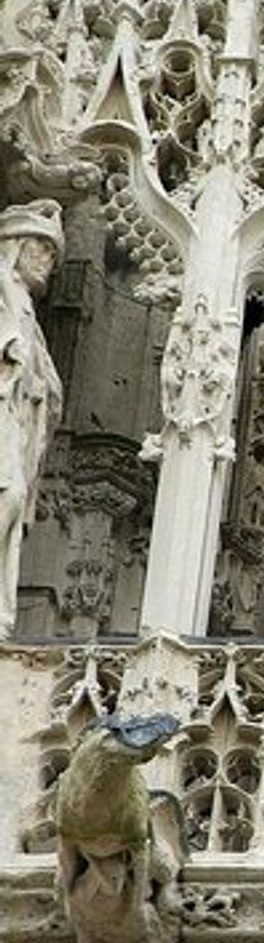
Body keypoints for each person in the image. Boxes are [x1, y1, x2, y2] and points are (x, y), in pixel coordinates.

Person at [0, 200, 64, 638]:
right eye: (39, 248)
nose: (46, 260)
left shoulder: (26, 311)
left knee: (13, 497)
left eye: (53, 254)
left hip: (18, 421)